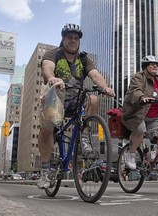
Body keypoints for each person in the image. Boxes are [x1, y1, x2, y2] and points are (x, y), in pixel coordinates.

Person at [37, 23, 115, 189]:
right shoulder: (54, 54)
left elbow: (95, 75)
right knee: (46, 129)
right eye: (69, 37)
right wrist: (52, 78)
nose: (73, 41)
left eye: (76, 38)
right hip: (55, 99)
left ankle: (84, 139)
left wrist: (105, 88)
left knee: (93, 99)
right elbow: (47, 68)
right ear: (63, 38)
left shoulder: (84, 59)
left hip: (75, 101)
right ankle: (44, 170)